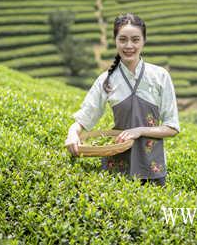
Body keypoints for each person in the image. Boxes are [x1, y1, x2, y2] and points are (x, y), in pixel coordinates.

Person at [65, 13, 180, 187]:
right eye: (123, 40)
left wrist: (139, 130)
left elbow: (172, 127)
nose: (129, 46)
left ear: (143, 41)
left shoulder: (160, 76)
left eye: (135, 40)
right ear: (115, 41)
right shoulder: (106, 80)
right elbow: (84, 118)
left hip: (152, 167)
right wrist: (72, 134)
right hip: (117, 167)